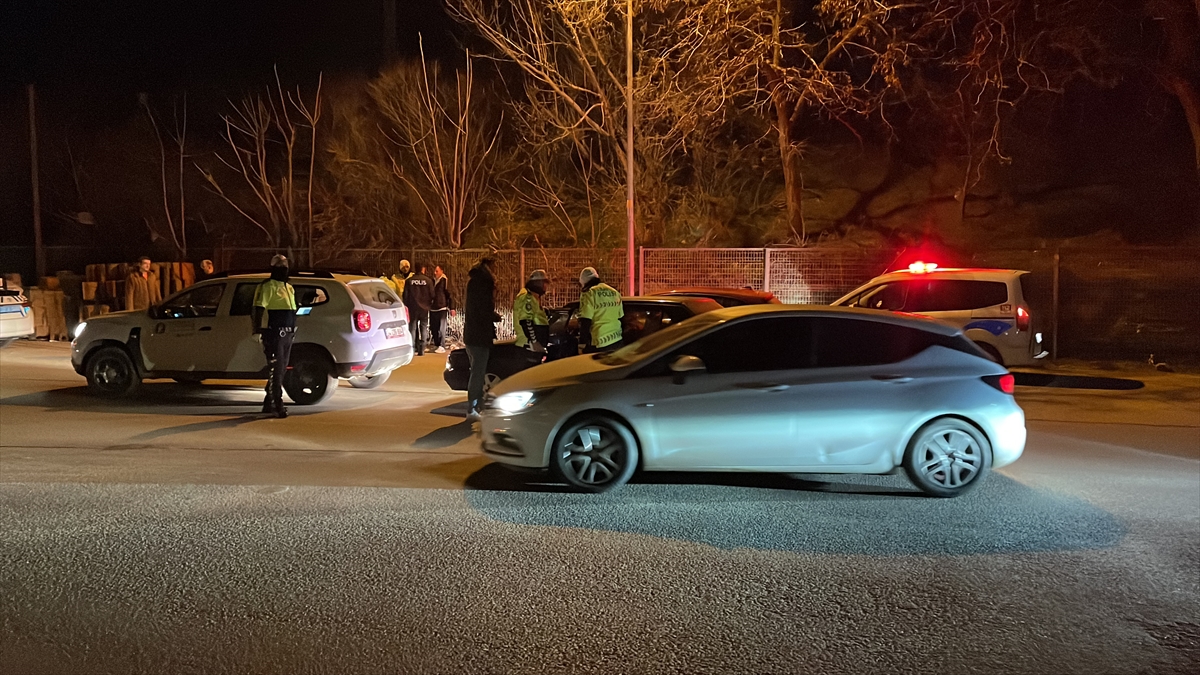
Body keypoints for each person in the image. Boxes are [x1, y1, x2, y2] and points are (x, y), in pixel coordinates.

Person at [252, 254, 298, 418]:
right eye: (280, 266)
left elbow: (292, 310)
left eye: (285, 265)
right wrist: (257, 330)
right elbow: (258, 308)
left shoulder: (289, 287)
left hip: (288, 334)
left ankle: (268, 401)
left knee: (281, 369)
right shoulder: (267, 287)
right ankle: (278, 404)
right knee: (276, 370)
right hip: (274, 333)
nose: (284, 269)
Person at [464, 255, 500, 420]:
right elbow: (482, 310)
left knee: (476, 372)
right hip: (479, 335)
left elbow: (476, 309)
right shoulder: (483, 284)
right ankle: (473, 409)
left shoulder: (475, 282)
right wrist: (493, 316)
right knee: (478, 373)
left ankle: (475, 407)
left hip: (472, 334)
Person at [577, 266, 624, 354]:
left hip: (599, 343)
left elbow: (585, 321)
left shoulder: (589, 293)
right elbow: (621, 317)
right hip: (617, 339)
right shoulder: (614, 292)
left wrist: (582, 344)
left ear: (584, 282)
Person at [514, 269, 550, 355]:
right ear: (537, 283)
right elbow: (526, 321)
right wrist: (534, 342)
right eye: (544, 283)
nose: (545, 286)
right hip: (529, 346)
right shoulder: (527, 298)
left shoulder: (533, 297)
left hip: (531, 346)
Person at [402, 263, 434, 356]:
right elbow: (432, 295)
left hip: (412, 307)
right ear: (423, 269)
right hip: (424, 308)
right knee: (423, 327)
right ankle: (422, 348)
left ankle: (412, 348)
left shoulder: (409, 281)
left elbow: (405, 296)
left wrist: (407, 306)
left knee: (412, 328)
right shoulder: (428, 281)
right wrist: (428, 304)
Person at [430, 264, 455, 353]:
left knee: (441, 328)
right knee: (433, 327)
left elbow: (450, 294)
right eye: (434, 271)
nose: (435, 273)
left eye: (437, 271)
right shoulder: (432, 281)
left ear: (442, 271)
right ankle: (436, 344)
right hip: (433, 307)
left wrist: (452, 307)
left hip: (442, 307)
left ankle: (442, 345)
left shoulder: (445, 281)